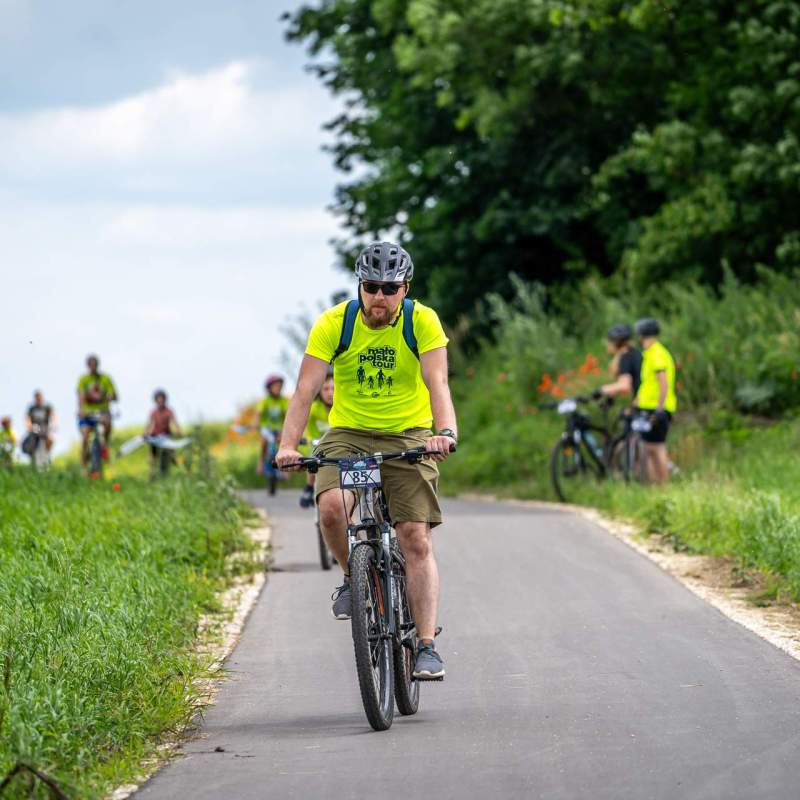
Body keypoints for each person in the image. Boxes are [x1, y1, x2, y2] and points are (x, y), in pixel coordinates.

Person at [276, 241, 457, 680]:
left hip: (409, 432)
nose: (379, 297)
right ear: (359, 286)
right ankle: (351, 578)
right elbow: (305, 390)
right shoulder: (333, 324)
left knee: (414, 536)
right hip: (349, 433)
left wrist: (444, 433)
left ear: (404, 289)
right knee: (333, 507)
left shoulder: (422, 321)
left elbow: (438, 383)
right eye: (371, 287)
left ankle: (426, 644)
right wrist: (288, 445)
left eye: (389, 288)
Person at [634, 318, 677, 484]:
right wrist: (636, 402)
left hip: (657, 407)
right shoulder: (651, 354)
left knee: (656, 447)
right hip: (648, 406)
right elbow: (648, 384)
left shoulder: (657, 354)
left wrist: (659, 408)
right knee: (649, 448)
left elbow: (663, 382)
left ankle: (663, 487)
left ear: (642, 335)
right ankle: (655, 487)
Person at [299, 373, 334, 508]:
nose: (330, 393)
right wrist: (306, 439)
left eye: (333, 389)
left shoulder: (341, 407)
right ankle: (309, 487)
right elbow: (306, 427)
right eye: (325, 389)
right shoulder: (314, 408)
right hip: (318, 443)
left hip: (337, 443)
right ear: (319, 391)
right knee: (313, 457)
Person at [77, 354, 118, 468]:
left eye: (95, 365)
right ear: (88, 366)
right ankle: (84, 464)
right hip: (87, 413)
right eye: (91, 365)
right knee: (85, 436)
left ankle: (105, 444)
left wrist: (111, 396)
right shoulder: (83, 380)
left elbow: (114, 394)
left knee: (107, 422)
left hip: (102, 411)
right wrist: (81, 410)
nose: (93, 367)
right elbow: (80, 396)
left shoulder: (105, 378)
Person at [599, 324, 642, 400]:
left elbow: (625, 386)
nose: (607, 345)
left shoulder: (626, 357)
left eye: (609, 341)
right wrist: (613, 394)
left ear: (616, 343)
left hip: (646, 402)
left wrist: (600, 390)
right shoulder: (635, 353)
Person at [257, 374, 290, 474]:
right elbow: (259, 414)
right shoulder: (265, 401)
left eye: (279, 386)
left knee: (282, 443)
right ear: (269, 388)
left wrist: (287, 427)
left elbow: (286, 415)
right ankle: (261, 462)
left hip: (279, 428)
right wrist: (256, 424)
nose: (278, 388)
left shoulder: (283, 400)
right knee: (264, 442)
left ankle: (284, 468)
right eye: (275, 386)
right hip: (266, 428)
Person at [146, 389, 181, 472]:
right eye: (158, 399)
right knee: (153, 454)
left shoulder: (169, 411)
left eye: (162, 399)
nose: (160, 401)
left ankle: (170, 460)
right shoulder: (153, 412)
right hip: (155, 436)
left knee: (168, 452)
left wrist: (178, 430)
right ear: (155, 400)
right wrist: (146, 432)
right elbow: (149, 424)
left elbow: (174, 422)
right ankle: (152, 471)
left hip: (166, 436)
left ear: (165, 400)